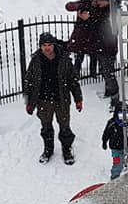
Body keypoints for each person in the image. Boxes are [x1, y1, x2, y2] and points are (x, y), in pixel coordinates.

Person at [24, 32, 84, 164]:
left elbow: (73, 80)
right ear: (40, 46)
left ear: (54, 45)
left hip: (61, 100)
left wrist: (78, 99)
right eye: (44, 45)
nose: (47, 48)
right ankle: (48, 149)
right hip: (43, 101)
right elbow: (29, 81)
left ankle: (66, 148)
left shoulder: (64, 59)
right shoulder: (35, 61)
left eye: (49, 45)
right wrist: (29, 102)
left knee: (64, 126)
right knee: (46, 127)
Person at [66, 0, 119, 98]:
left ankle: (112, 94)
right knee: (79, 62)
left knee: (106, 69)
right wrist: (80, 7)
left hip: (100, 43)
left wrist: (88, 18)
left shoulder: (106, 10)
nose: (96, 1)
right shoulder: (86, 3)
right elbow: (69, 6)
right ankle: (75, 83)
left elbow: (98, 23)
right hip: (84, 39)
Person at [101, 100, 128, 180]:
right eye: (121, 113)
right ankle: (114, 177)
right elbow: (106, 133)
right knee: (117, 164)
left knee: (125, 158)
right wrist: (104, 142)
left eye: (126, 114)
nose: (124, 116)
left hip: (126, 146)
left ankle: (125, 164)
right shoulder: (112, 123)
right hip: (115, 148)